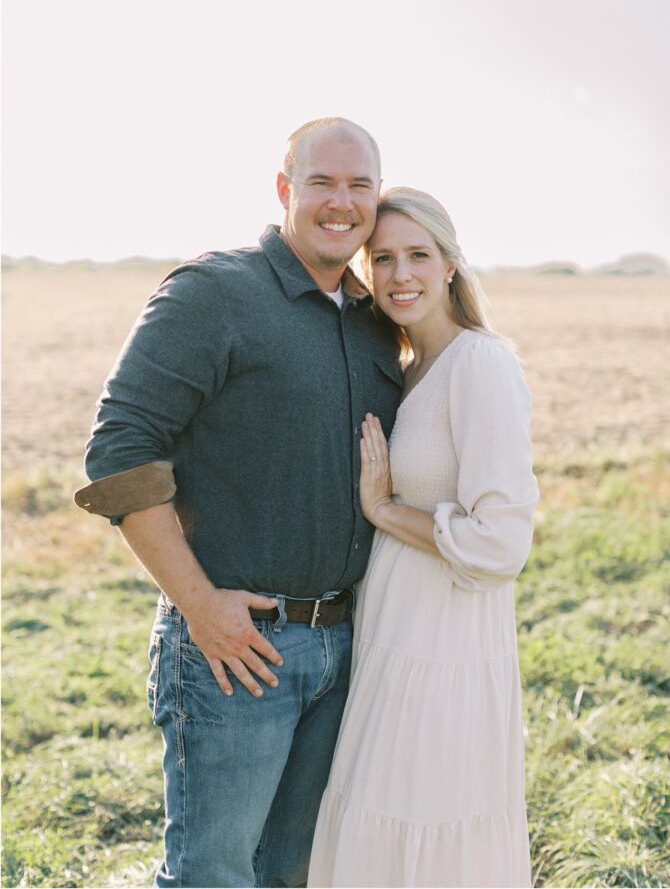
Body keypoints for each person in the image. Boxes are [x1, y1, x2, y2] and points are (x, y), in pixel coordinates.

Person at [73, 117, 402, 888]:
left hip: (344, 647)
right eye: (322, 181)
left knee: (290, 873)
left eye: (359, 185)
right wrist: (198, 606)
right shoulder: (215, 293)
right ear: (285, 189)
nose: (340, 202)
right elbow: (120, 450)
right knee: (212, 877)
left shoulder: (374, 322)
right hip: (236, 648)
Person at [309, 188, 539, 888]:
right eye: (382, 258)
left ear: (448, 265)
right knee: (377, 821)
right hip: (393, 631)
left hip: (447, 642)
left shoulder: (479, 364)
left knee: (426, 822)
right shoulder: (408, 371)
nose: (399, 273)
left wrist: (383, 511)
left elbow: (501, 543)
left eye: (417, 255)